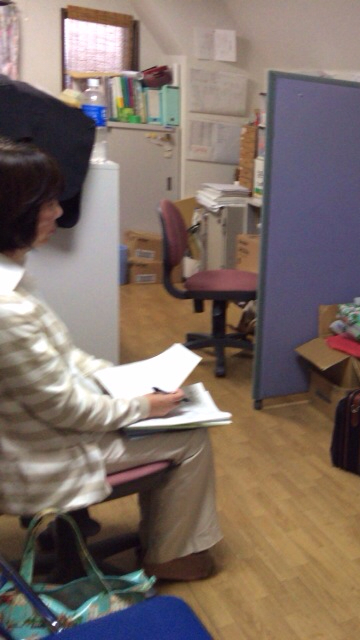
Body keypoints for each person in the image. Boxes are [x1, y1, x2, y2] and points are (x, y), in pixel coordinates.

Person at [0, 138, 222, 581]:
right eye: (47, 203)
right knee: (191, 437)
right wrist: (144, 407)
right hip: (42, 456)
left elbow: (67, 357)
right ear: (14, 211)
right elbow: (68, 410)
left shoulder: (13, 279)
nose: (58, 213)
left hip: (39, 432)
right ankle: (169, 555)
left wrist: (124, 378)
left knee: (163, 417)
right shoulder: (7, 310)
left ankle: (160, 539)